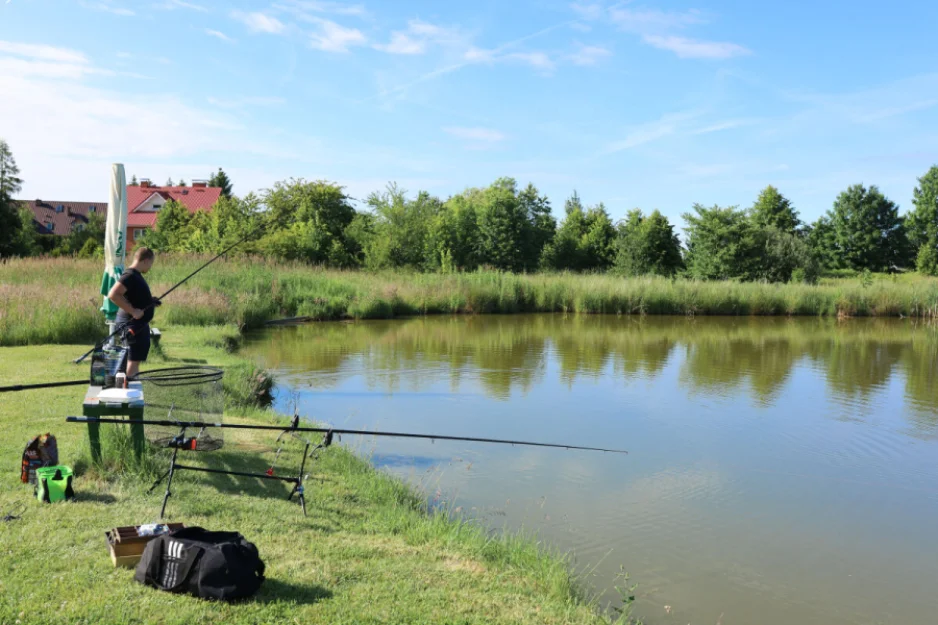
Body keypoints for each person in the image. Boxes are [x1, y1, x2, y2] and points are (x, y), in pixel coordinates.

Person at [107, 246, 160, 379]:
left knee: (133, 359)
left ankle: (128, 388)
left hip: (137, 325)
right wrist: (132, 311)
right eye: (151, 264)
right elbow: (113, 294)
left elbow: (133, 297)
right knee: (133, 359)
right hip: (131, 325)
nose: (150, 267)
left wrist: (150, 301)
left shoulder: (135, 276)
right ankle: (129, 391)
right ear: (146, 261)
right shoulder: (129, 275)